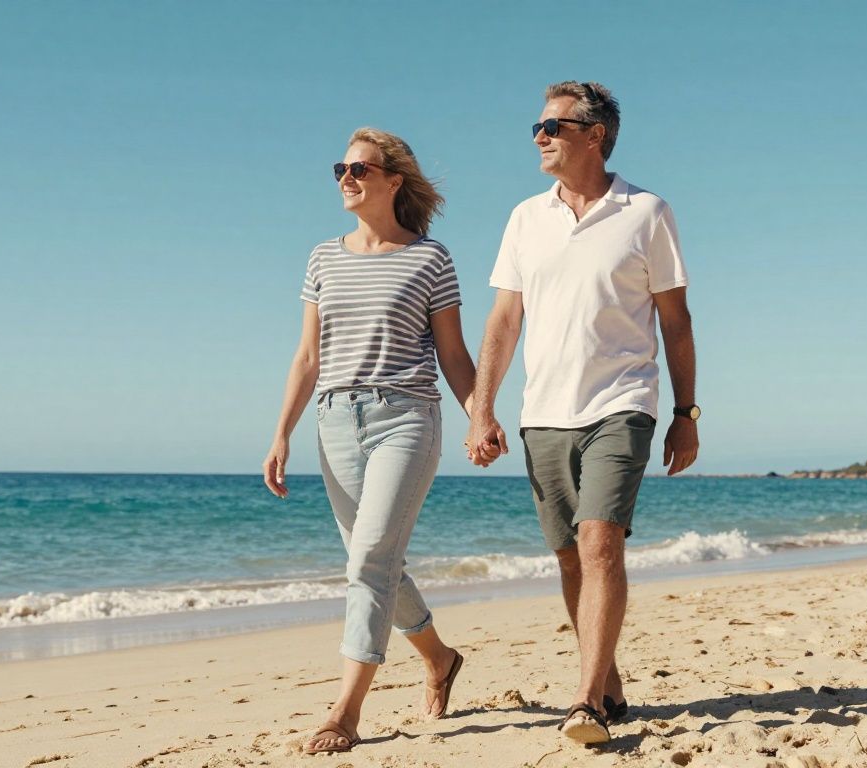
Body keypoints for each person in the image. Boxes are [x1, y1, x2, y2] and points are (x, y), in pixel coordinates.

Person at [467, 81, 699, 745]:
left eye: (554, 126)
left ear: (595, 136)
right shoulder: (524, 219)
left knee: (601, 542)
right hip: (543, 410)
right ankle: (610, 680)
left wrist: (686, 411)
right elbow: (504, 320)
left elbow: (676, 321)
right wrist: (482, 410)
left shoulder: (647, 212)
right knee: (571, 557)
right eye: (537, 126)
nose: (540, 136)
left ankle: (586, 701)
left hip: (621, 402)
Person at [263, 128, 474, 755]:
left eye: (360, 169)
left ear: (392, 181)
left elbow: (454, 355)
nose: (346, 178)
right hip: (334, 423)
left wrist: (480, 416)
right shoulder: (323, 257)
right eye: (340, 168)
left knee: (368, 563)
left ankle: (345, 711)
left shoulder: (430, 258)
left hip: (406, 417)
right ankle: (440, 658)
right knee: (376, 563)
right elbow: (307, 356)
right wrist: (281, 433)